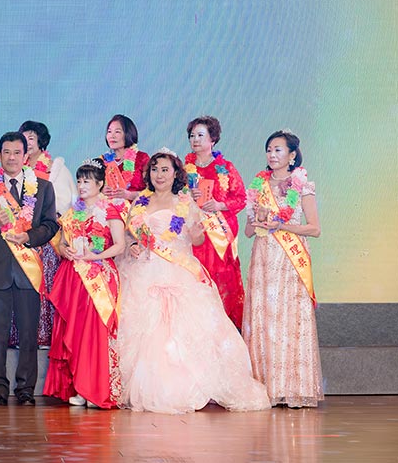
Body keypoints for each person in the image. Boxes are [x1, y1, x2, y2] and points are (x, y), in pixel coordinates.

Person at [117, 149, 270, 414]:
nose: (159, 175)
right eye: (155, 169)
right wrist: (132, 246)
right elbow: (131, 236)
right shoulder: (140, 202)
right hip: (144, 270)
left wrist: (197, 233)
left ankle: (190, 386)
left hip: (178, 269)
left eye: (165, 170)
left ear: (176, 173)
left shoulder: (185, 202)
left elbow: (196, 239)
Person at [0, 132, 59, 406]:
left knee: (28, 333)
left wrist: (29, 237)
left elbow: (51, 225)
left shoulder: (43, 187)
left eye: (17, 152)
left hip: (28, 269)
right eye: (6, 152)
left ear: (26, 156)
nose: (11, 157)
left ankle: (25, 389)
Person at [243, 130, 323, 408]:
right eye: (269, 150)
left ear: (292, 155)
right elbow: (248, 232)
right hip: (263, 259)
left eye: (278, 150)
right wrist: (257, 221)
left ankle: (293, 388)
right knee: (264, 317)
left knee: (290, 318)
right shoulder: (258, 185)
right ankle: (265, 388)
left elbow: (314, 228)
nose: (272, 154)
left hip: (289, 261)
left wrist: (281, 225)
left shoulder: (302, 185)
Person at [43, 159, 126, 409]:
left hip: (99, 276)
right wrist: (64, 249)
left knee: (94, 333)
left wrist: (94, 256)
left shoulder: (110, 210)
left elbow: (120, 246)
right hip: (73, 277)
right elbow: (61, 242)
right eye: (79, 181)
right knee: (76, 332)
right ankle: (79, 387)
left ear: (100, 184)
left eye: (87, 181)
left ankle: (94, 388)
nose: (81, 185)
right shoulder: (72, 212)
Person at [9, 121, 77, 348]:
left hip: (46, 235)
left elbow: (64, 202)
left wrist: (40, 224)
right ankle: (18, 334)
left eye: (31, 137)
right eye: (23, 137)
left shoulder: (55, 168)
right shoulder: (16, 167)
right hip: (18, 234)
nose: (27, 142)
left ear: (41, 141)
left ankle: (44, 333)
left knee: (45, 276)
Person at [184, 116, 247, 330]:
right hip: (195, 234)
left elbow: (241, 198)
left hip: (219, 235)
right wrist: (188, 194)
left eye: (200, 135)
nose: (195, 139)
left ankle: (224, 330)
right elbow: (174, 197)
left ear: (213, 139)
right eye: (192, 135)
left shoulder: (225, 168)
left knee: (221, 279)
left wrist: (220, 205)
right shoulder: (184, 169)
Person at [100, 114, 150, 203]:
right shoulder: (102, 161)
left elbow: (153, 192)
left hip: (136, 209)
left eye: (117, 132)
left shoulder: (142, 158)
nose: (112, 136)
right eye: (109, 131)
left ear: (128, 134)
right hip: (108, 209)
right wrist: (100, 191)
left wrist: (130, 195)